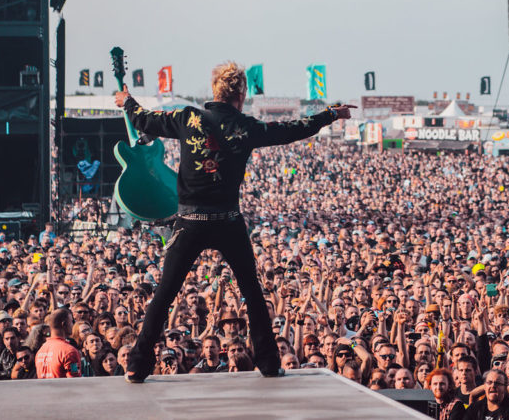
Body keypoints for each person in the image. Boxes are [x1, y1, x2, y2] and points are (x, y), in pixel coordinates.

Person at [114, 61, 352, 383]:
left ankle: (137, 366)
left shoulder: (187, 118)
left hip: (190, 222)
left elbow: (143, 119)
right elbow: (293, 129)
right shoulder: (246, 126)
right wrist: (331, 114)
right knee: (252, 294)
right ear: (240, 94)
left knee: (165, 294)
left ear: (214, 90)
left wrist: (126, 100)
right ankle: (268, 363)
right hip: (228, 221)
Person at [35, 308, 81, 378]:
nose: (73, 325)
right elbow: (74, 380)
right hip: (64, 389)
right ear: (64, 324)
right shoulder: (69, 351)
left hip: (43, 388)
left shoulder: (41, 350)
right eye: (71, 321)